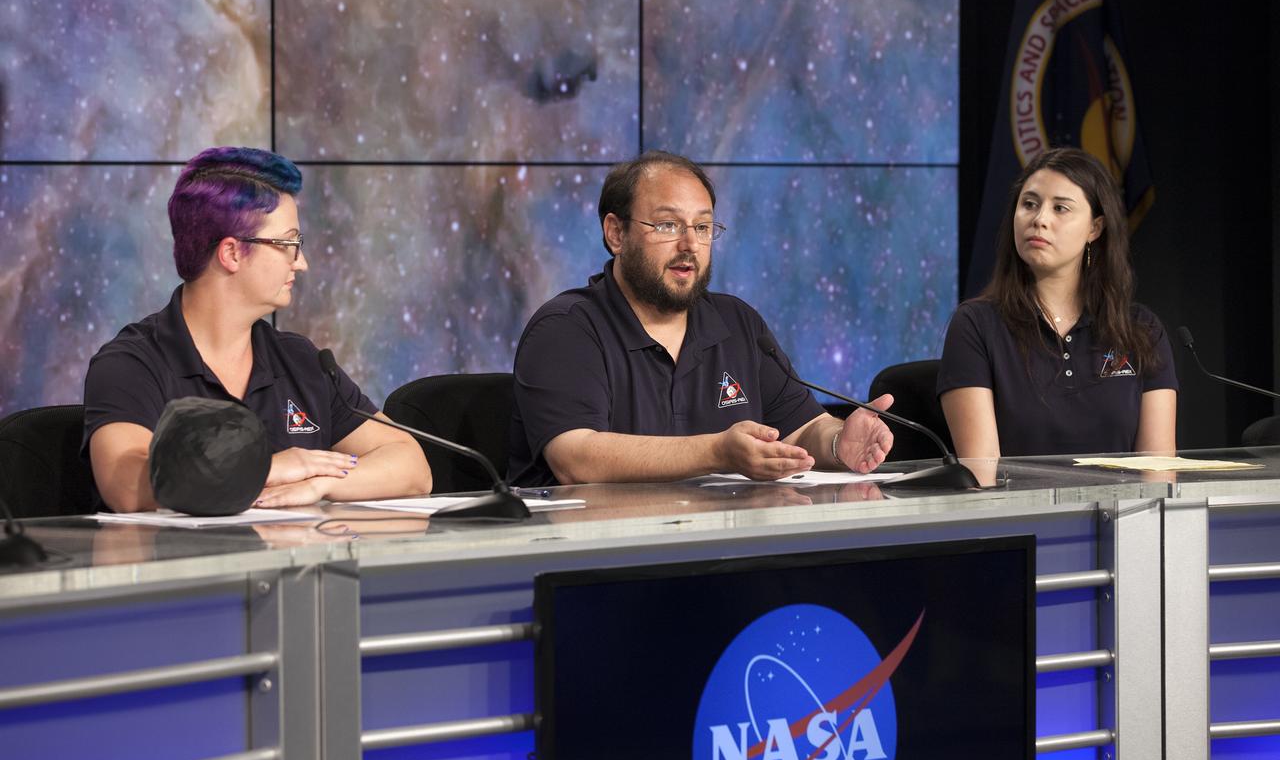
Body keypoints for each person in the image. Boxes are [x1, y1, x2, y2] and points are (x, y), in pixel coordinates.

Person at [507, 150, 894, 487]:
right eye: (668, 225)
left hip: (716, 553)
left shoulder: (736, 322)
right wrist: (717, 451)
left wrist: (836, 442)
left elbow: (801, 427)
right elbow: (577, 459)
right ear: (616, 233)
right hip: (588, 560)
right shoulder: (566, 329)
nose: (689, 244)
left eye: (703, 227)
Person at [83, 147, 431, 512]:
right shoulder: (131, 363)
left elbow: (412, 467)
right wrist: (270, 469)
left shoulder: (302, 361)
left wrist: (321, 484)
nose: (302, 263)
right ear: (232, 253)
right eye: (289, 244)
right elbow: (127, 487)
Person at [937, 147, 1177, 459]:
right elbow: (983, 477)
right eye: (1029, 204)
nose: (1039, 219)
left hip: (1123, 509)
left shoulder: (1142, 330)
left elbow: (1158, 472)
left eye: (1060, 208)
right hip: (1017, 509)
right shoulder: (975, 326)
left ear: (1095, 228)